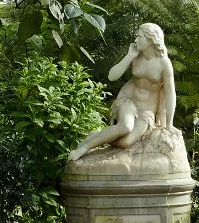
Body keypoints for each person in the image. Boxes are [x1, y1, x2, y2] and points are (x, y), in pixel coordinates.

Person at [67, 23, 176, 162]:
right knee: (126, 126)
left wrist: (169, 124)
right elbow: (112, 76)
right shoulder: (136, 57)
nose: (135, 40)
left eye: (139, 36)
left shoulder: (164, 64)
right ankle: (84, 148)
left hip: (146, 111)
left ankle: (97, 136)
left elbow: (170, 93)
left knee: (126, 141)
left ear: (150, 39)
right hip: (128, 100)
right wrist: (129, 56)